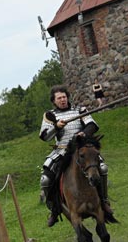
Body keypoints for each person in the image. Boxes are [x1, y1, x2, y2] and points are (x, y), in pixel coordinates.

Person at [39, 85, 113, 227]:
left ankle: (103, 201)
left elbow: (92, 125)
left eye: (64, 97)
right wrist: (56, 127)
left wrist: (83, 133)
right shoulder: (50, 115)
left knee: (102, 168)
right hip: (61, 150)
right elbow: (44, 136)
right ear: (54, 101)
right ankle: (55, 209)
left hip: (81, 148)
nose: (62, 100)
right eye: (59, 98)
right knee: (45, 179)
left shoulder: (80, 110)